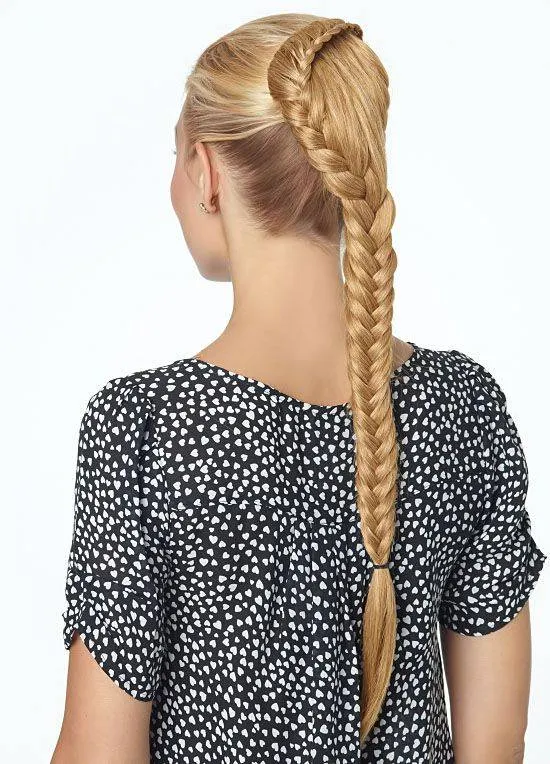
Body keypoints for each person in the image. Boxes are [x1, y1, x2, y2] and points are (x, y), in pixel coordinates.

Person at [51, 13, 546, 764]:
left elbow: (99, 752)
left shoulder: (145, 428)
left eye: (176, 158)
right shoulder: (463, 406)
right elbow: (496, 747)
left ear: (205, 172)